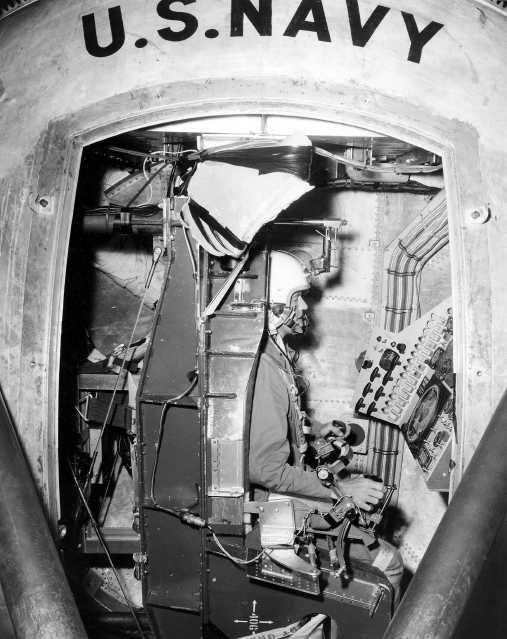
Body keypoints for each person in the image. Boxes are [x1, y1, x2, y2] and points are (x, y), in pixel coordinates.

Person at [248, 250, 403, 598]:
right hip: (273, 503)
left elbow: (276, 421)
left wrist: (318, 430)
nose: (304, 306)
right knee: (390, 563)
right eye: (297, 299)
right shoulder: (266, 371)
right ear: (275, 307)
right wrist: (341, 489)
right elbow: (265, 469)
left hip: (284, 488)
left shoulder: (274, 354)